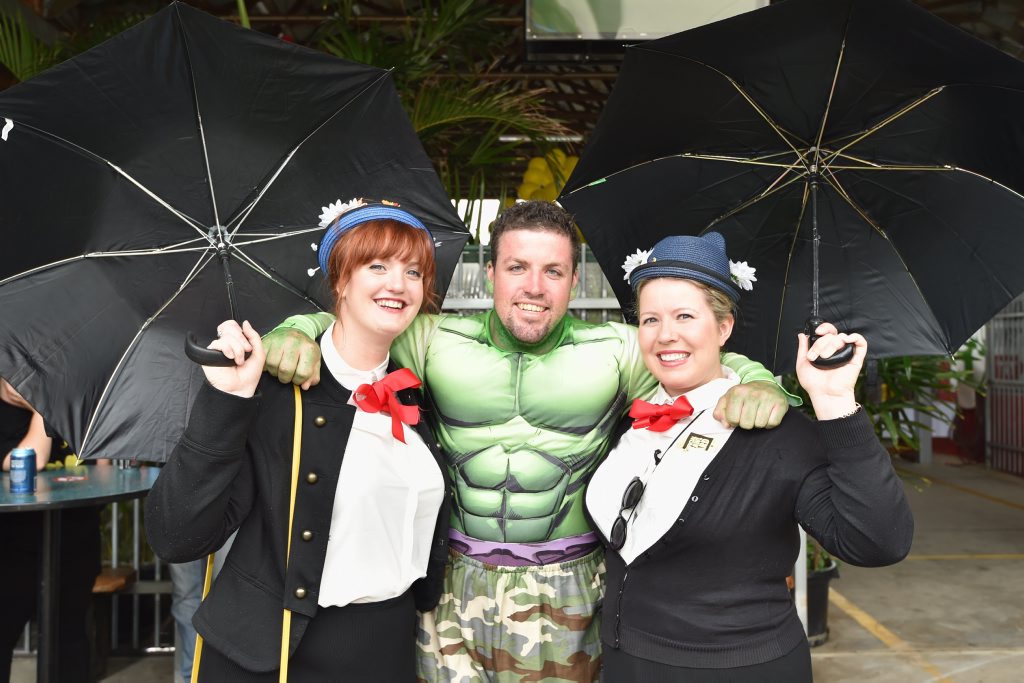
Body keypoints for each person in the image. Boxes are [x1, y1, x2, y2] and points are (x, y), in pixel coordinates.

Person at [260, 200, 796, 680]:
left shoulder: (617, 349)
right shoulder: (431, 339)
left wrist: (760, 382)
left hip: (571, 584)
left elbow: (698, 359)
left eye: (553, 271)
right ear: (490, 272)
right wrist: (297, 329)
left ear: (572, 278)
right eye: (517, 267)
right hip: (452, 582)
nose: (534, 287)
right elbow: (355, 325)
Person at [145, 199, 452, 681]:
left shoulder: (417, 394)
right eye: (377, 266)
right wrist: (225, 400)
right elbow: (177, 535)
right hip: (279, 654)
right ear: (340, 280)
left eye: (414, 272)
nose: (398, 284)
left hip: (387, 648)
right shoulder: (272, 389)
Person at [585, 232, 914, 681]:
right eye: (650, 320)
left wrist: (835, 401)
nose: (666, 336)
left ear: (724, 327)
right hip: (627, 665)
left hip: (741, 669)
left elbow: (878, 541)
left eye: (685, 316)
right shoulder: (626, 419)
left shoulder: (778, 435)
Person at [0, 379, 102, 683]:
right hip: (12, 545)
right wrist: (41, 409)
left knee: (69, 638)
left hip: (74, 539)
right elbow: (32, 460)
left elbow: (103, 466)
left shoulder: (73, 404)